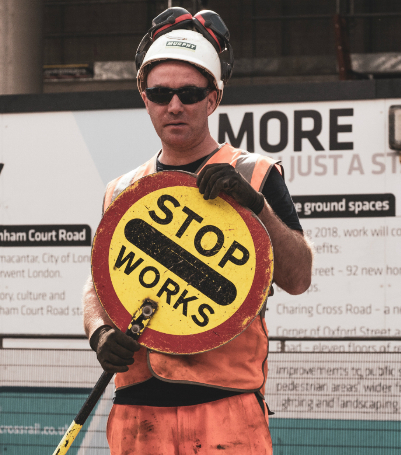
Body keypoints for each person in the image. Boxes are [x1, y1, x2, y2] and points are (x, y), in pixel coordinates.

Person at [82, 8, 313, 454]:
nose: (174, 106)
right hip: (137, 417)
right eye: (160, 93)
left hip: (227, 412)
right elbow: (97, 286)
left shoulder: (255, 174)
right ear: (144, 97)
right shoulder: (124, 191)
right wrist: (99, 333)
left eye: (189, 93)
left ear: (213, 98)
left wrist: (256, 206)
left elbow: (299, 278)